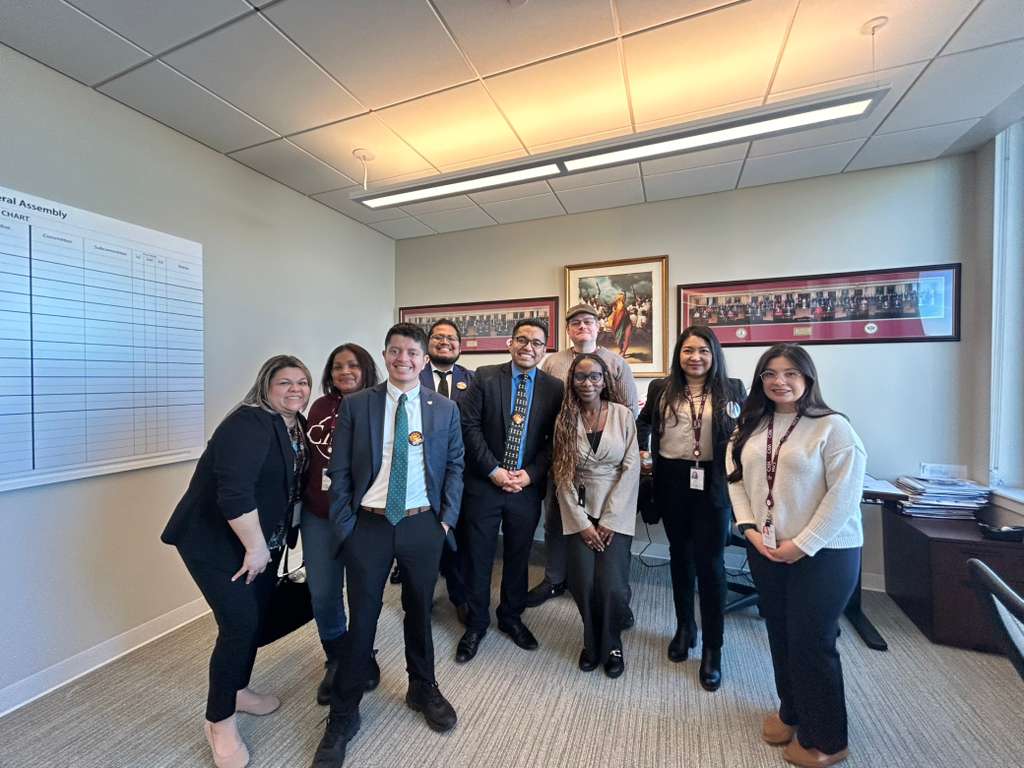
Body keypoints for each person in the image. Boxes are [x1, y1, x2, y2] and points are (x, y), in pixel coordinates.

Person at [310, 323, 464, 768]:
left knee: (419, 610)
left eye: (412, 353)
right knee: (363, 619)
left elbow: (455, 465)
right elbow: (339, 470)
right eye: (395, 351)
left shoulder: (444, 408)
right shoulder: (358, 404)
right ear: (385, 355)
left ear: (424, 360)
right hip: (368, 525)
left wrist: (445, 520)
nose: (403, 359)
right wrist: (345, 524)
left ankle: (423, 687)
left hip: (422, 524)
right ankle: (344, 713)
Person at [161, 355, 312, 768]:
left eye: (302, 381)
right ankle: (219, 721)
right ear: (265, 386)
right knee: (240, 624)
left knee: (255, 618)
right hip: (217, 543)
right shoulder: (248, 423)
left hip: (261, 542)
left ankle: (238, 690)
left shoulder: (294, 426)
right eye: (285, 382)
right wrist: (256, 548)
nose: (295, 389)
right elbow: (234, 492)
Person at [726, 343, 866, 768]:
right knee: (781, 633)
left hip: (825, 552)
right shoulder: (749, 425)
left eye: (790, 373)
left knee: (812, 641)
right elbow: (735, 481)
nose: (779, 381)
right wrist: (750, 531)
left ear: (807, 377)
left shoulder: (833, 427)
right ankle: (792, 711)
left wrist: (802, 544)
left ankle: (827, 739)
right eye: (770, 373)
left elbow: (844, 496)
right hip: (766, 547)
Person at [637, 326, 746, 691]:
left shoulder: (732, 389)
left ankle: (714, 647)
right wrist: (643, 449)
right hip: (672, 480)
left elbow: (748, 432)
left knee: (711, 564)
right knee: (679, 557)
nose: (695, 357)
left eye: (703, 350)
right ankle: (685, 628)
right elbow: (643, 422)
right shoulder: (661, 388)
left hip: (712, 483)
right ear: (678, 355)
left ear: (714, 354)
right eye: (687, 350)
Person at [455, 318, 563, 663]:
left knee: (519, 555)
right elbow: (468, 426)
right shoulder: (485, 376)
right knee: (478, 556)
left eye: (536, 343)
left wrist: (529, 475)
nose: (528, 347)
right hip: (484, 484)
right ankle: (476, 623)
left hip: (525, 488)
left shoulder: (554, 388)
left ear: (544, 350)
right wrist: (494, 470)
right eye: (522, 340)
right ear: (510, 343)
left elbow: (554, 440)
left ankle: (511, 616)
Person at [527, 303, 639, 611]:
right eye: (575, 323)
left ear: (598, 326)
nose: (582, 327)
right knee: (555, 518)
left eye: (588, 321)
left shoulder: (615, 362)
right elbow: (541, 405)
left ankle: (615, 591)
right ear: (567, 329)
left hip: (603, 457)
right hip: (563, 453)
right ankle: (554, 578)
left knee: (610, 525)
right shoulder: (552, 362)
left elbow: (629, 410)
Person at [303, 343, 381, 706]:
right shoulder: (319, 407)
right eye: (337, 366)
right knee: (323, 592)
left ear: (366, 369)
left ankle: (362, 653)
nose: (345, 372)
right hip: (318, 515)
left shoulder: (378, 407)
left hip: (364, 517)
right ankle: (336, 656)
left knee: (364, 592)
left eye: (353, 365)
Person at [553, 353, 639, 678]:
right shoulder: (564, 418)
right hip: (579, 509)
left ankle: (612, 643)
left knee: (612, 586)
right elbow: (562, 475)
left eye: (594, 376)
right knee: (583, 583)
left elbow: (631, 467)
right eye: (580, 377)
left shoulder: (622, 415)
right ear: (571, 381)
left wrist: (610, 520)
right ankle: (591, 641)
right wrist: (582, 523)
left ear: (605, 381)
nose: (587, 383)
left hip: (616, 508)